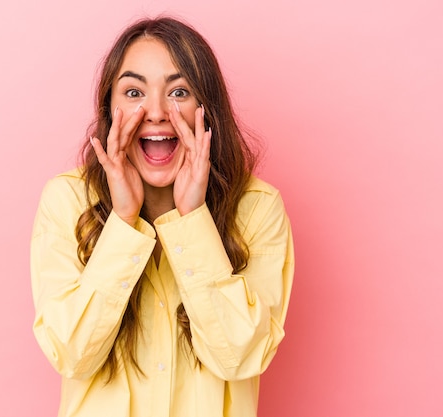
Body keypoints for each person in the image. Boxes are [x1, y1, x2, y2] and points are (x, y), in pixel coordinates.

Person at [30, 16, 294, 417]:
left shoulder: (258, 207)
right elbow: (71, 353)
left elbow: (240, 356)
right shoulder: (66, 200)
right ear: (110, 109)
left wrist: (193, 219)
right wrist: (123, 220)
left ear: (208, 109)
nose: (155, 112)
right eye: (134, 91)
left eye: (179, 91)